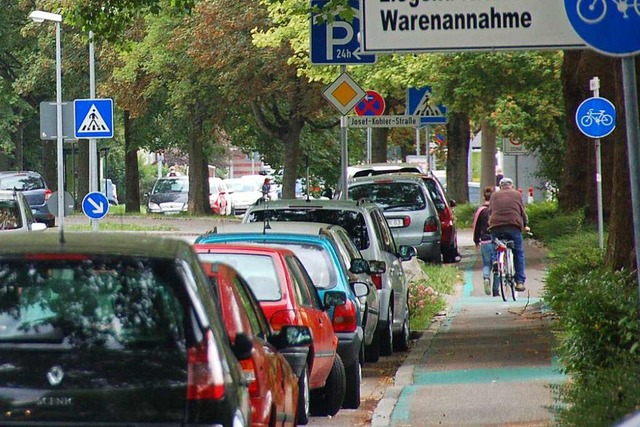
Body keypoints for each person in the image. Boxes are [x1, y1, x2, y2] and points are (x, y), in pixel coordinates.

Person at [488, 177, 529, 292]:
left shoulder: (494, 195)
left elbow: (490, 211)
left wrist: (490, 223)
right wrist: (525, 224)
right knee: (518, 252)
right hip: (513, 226)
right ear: (511, 186)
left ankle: (495, 260)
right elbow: (522, 212)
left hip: (495, 225)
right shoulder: (517, 195)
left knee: (494, 243)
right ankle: (520, 282)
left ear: (500, 186)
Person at [472, 186, 496, 296]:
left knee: (487, 264)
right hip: (497, 241)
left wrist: (476, 241)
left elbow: (476, 227)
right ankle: (496, 290)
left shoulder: (480, 211)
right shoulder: (496, 210)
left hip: (485, 241)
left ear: (483, 197)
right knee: (498, 266)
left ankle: (486, 278)